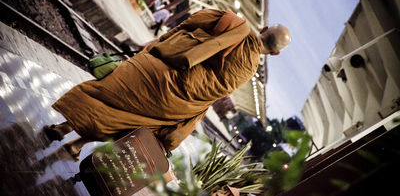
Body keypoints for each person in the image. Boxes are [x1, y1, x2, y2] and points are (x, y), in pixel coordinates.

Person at [43, 9, 291, 160]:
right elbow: (209, 95)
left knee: (106, 93)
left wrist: (156, 43)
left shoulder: (230, 21)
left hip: (154, 67)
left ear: (264, 28)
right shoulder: (247, 71)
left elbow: (187, 24)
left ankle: (64, 127)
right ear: (275, 54)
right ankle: (78, 145)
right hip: (172, 104)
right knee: (125, 123)